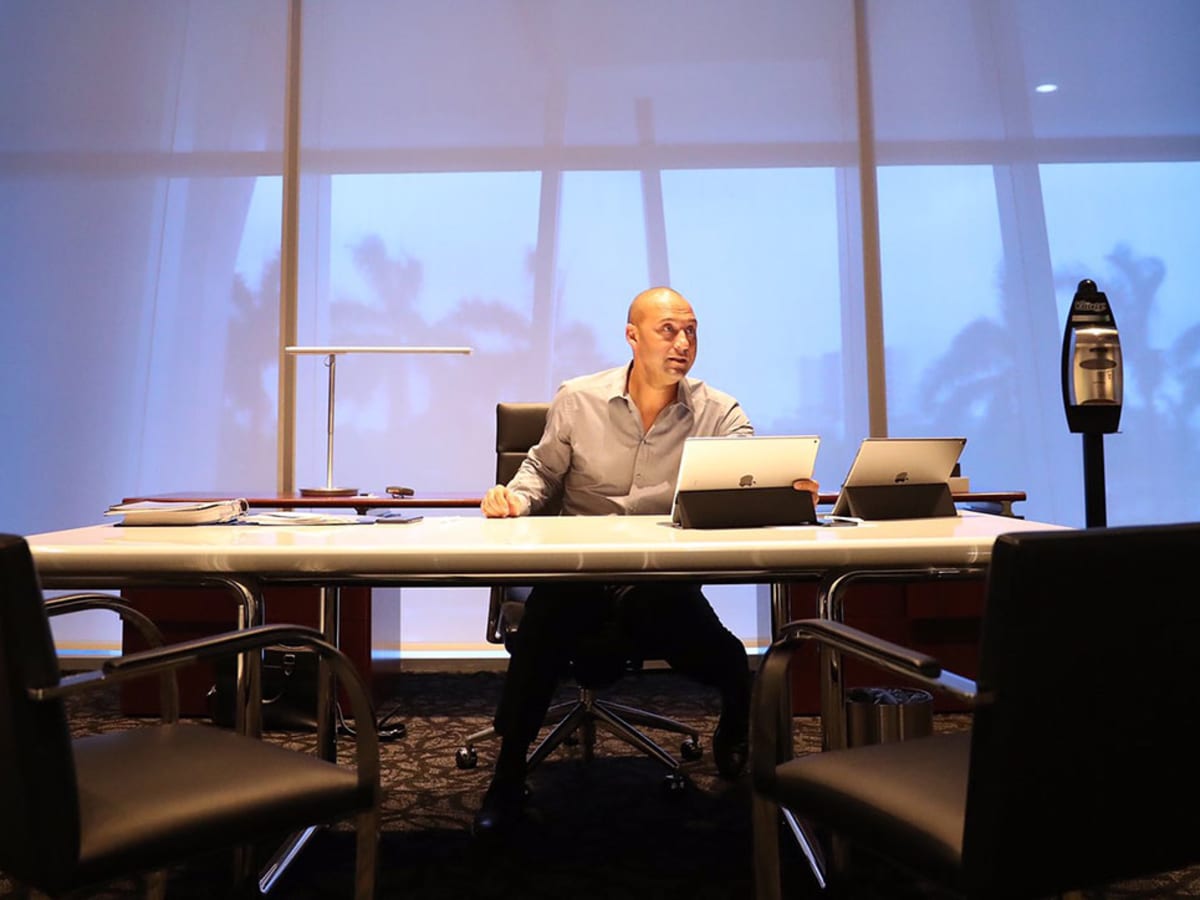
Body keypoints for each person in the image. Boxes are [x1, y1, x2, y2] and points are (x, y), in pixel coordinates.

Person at [473, 286, 819, 837]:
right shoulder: (577, 399)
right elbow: (540, 471)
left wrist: (783, 491)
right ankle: (506, 777)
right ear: (632, 337)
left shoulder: (719, 411)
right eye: (668, 330)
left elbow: (749, 474)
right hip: (582, 573)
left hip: (661, 579)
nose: (683, 343)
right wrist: (513, 497)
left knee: (697, 637)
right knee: (548, 620)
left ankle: (735, 708)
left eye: (691, 331)